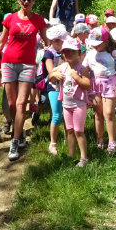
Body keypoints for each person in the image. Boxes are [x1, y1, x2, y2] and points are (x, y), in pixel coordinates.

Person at [0, 0, 50, 161]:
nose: (26, 2)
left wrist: (60, 55)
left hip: (28, 65)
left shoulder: (39, 20)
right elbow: (0, 43)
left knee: (21, 104)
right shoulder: (10, 19)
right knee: (11, 105)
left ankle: (15, 140)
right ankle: (19, 131)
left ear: (34, 0)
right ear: (18, 0)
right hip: (8, 64)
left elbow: (48, 42)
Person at [49, 38, 92, 167]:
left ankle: (84, 158)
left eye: (72, 51)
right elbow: (49, 77)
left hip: (78, 105)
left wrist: (76, 77)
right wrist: (54, 76)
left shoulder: (81, 69)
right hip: (66, 105)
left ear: (79, 53)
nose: (68, 54)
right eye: (66, 51)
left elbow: (88, 85)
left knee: (78, 131)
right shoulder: (62, 67)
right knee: (70, 130)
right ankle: (71, 155)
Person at [84, 27, 116, 153]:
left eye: (98, 44)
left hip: (110, 84)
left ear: (106, 42)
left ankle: (112, 142)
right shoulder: (90, 54)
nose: (95, 46)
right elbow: (84, 70)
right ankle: (100, 140)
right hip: (95, 85)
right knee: (98, 114)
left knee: (109, 113)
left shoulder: (113, 54)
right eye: (93, 44)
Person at [43, 24, 67, 154]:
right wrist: (60, 70)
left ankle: (68, 140)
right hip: (54, 87)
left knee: (67, 115)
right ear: (53, 41)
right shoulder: (48, 53)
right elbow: (50, 71)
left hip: (67, 86)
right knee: (57, 115)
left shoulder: (66, 51)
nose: (61, 43)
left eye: (62, 40)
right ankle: (53, 143)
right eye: (58, 40)